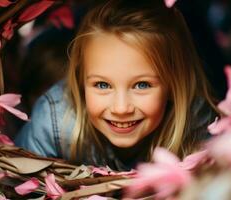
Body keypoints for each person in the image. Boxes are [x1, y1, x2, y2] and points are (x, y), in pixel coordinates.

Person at [15, 0, 217, 171]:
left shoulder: (195, 121)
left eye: (142, 85)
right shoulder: (56, 118)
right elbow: (12, 184)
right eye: (102, 85)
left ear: (173, 84)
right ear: (80, 80)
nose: (121, 109)